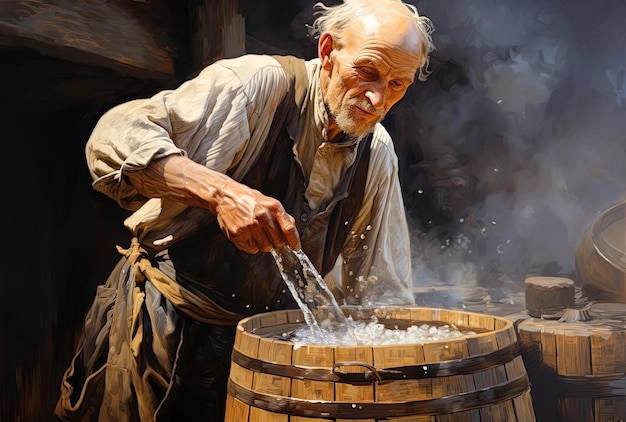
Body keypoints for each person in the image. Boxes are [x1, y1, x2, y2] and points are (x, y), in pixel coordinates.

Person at [55, 0, 435, 420]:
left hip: (271, 361)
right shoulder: (257, 84)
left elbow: (379, 292)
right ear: (327, 51)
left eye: (398, 84)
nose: (377, 97)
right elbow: (111, 137)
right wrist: (220, 193)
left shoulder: (376, 153)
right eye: (367, 71)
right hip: (167, 332)